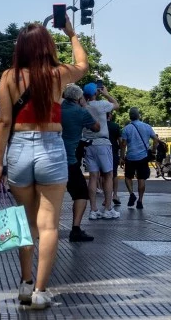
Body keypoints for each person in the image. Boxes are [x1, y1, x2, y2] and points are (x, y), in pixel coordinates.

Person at [0, 18, 88, 309]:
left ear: (20, 48)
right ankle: (40, 292)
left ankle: (25, 283)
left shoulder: (8, 77)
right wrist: (71, 34)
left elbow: (4, 121)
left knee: (24, 222)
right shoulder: (57, 74)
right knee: (48, 226)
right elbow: (83, 65)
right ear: (47, 46)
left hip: (19, 149)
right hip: (51, 148)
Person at [61, 84, 100, 242]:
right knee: (81, 193)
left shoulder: (55, 109)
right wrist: (84, 106)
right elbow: (96, 127)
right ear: (79, 97)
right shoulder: (80, 112)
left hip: (48, 159)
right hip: (69, 160)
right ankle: (76, 229)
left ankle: (40, 228)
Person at [82, 82, 120, 220]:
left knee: (93, 177)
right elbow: (116, 105)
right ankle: (108, 208)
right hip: (102, 143)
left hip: (88, 144)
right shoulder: (101, 105)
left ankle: (93, 210)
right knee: (108, 175)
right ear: (95, 93)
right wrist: (106, 94)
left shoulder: (83, 107)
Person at [120, 107, 158, 210]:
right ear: (139, 116)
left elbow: (123, 144)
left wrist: (122, 157)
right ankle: (140, 201)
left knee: (128, 177)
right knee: (141, 179)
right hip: (143, 157)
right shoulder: (147, 127)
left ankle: (131, 194)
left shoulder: (126, 128)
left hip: (130, 157)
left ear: (130, 117)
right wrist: (153, 150)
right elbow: (155, 139)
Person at [107, 112, 122, 206]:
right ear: (109, 115)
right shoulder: (115, 126)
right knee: (114, 174)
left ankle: (106, 197)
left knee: (104, 175)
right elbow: (120, 141)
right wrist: (121, 152)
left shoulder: (99, 125)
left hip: (102, 151)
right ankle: (115, 195)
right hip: (113, 152)